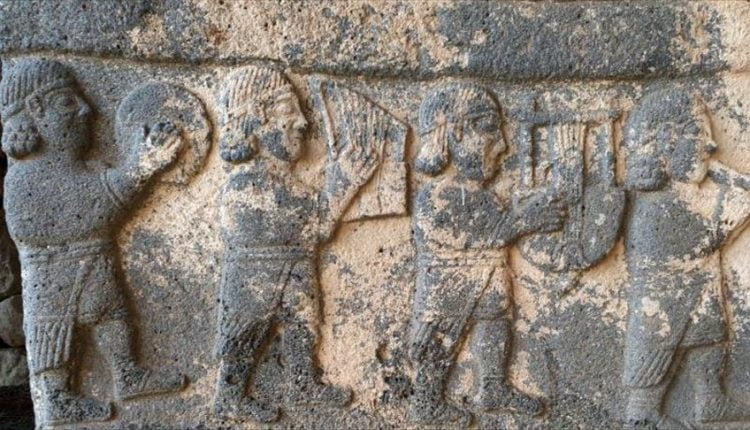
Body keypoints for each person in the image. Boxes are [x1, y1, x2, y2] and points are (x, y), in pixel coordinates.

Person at [0, 58, 185, 426]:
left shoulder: (84, 168)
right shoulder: (24, 181)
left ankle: (126, 374)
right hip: (54, 279)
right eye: (68, 102)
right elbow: (94, 205)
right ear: (36, 110)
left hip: (93, 265)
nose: (87, 109)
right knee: (54, 335)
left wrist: (135, 161)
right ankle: (56, 396)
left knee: (112, 314)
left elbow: (97, 192)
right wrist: (141, 166)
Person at [214, 65, 378, 422]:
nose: (303, 121)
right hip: (256, 281)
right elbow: (313, 225)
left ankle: (303, 384)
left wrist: (344, 185)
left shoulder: (293, 188)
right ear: (256, 120)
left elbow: (315, 225)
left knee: (303, 328)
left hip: (296, 271)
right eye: (289, 109)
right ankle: (229, 395)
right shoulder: (241, 186)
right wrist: (343, 186)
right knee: (244, 338)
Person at [409, 82, 566, 425]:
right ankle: (426, 400)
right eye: (489, 128)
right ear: (454, 132)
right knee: (438, 338)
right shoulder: (435, 195)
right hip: (449, 286)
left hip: (488, 277)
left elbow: (498, 226)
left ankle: (493, 386)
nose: (503, 143)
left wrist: (525, 215)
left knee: (495, 320)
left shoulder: (484, 195)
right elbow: (472, 236)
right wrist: (521, 222)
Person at [622, 86, 750, 429]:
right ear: (668, 139)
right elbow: (710, 235)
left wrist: (722, 175)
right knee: (656, 350)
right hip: (664, 303)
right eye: (699, 133)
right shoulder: (657, 206)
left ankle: (711, 399)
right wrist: (735, 197)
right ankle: (642, 415)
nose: (711, 144)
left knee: (709, 333)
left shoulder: (682, 193)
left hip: (698, 283)